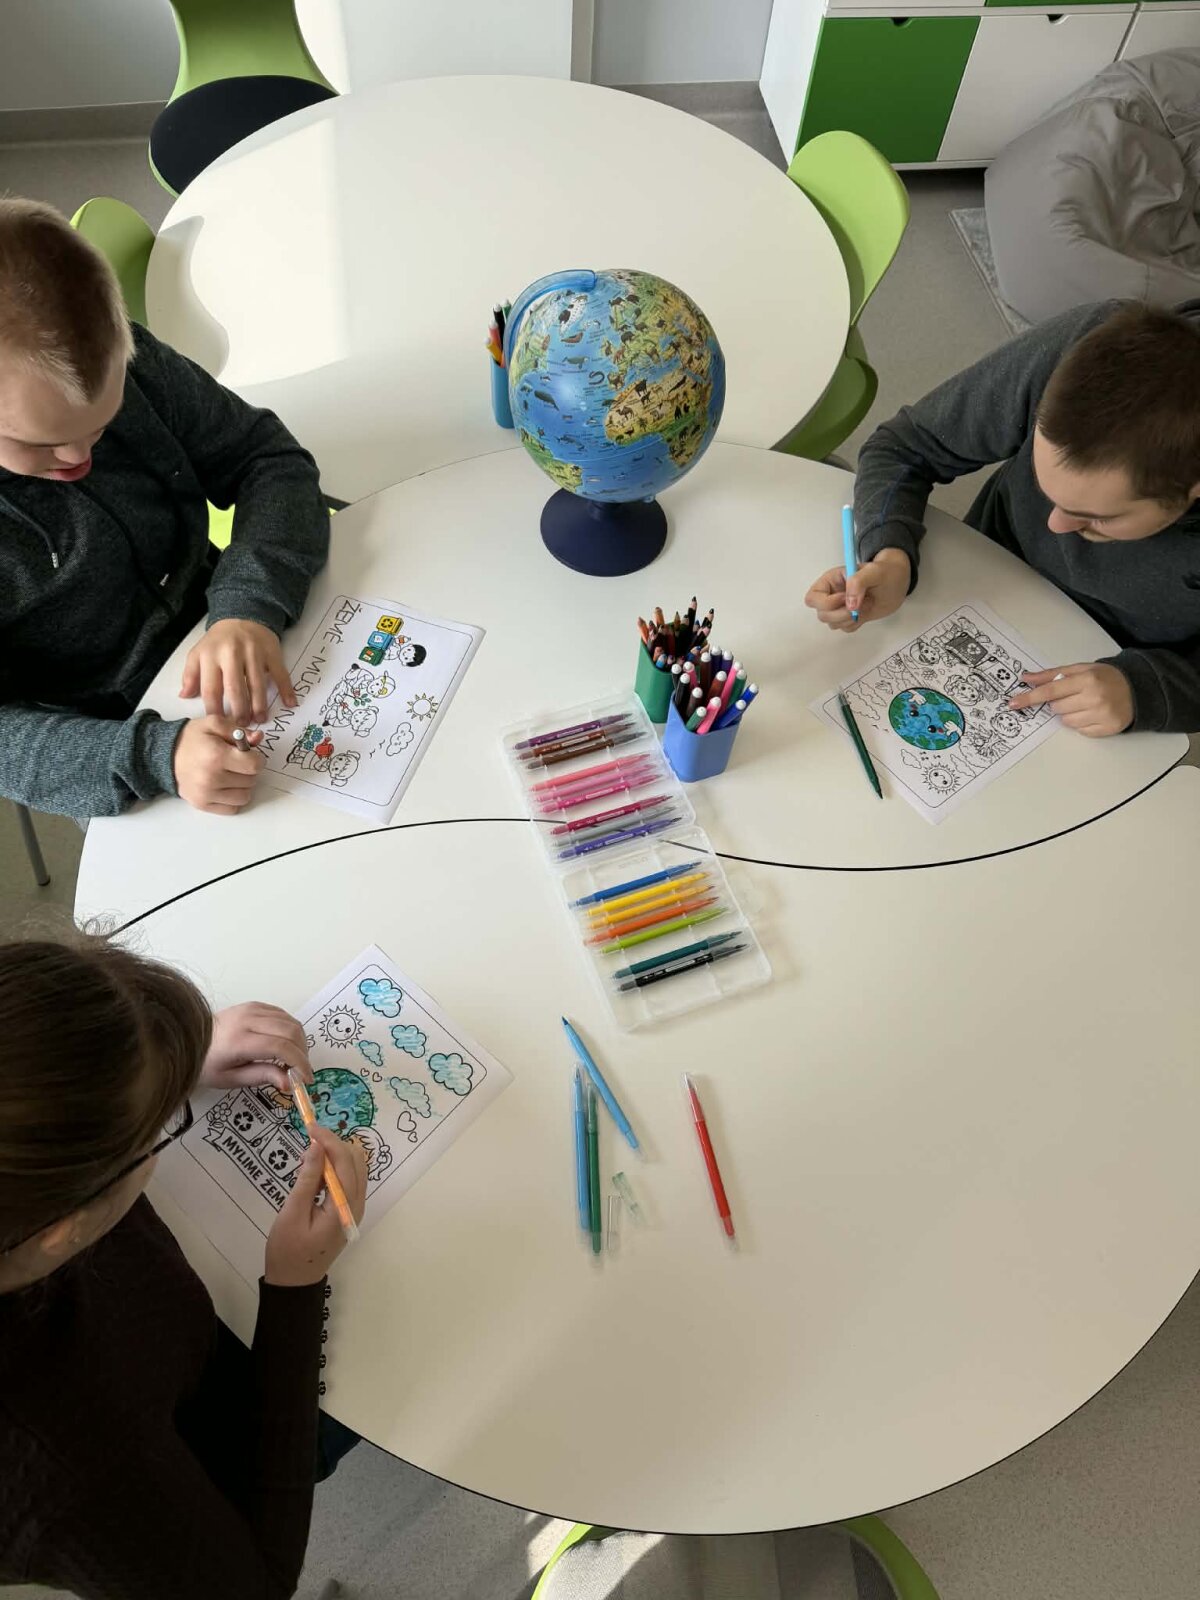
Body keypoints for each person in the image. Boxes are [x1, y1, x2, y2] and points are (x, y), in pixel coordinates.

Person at [0, 933, 368, 1599]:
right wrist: (296, 1282)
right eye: (155, 1129)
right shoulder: (71, 1476)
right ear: (65, 1230)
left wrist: (161, 1059)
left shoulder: (26, 1201)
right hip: (216, 1443)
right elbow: (255, 1585)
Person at [0, 197, 331, 819]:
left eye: (102, 424)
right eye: (40, 443)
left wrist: (246, 605)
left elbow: (268, 459)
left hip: (230, 618)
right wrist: (155, 756)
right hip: (105, 742)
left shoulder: (129, 360)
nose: (79, 457)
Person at [804, 301, 1200, 736]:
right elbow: (906, 445)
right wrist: (890, 554)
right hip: (984, 575)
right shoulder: (1088, 351)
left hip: (1118, 669)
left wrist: (1144, 690)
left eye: (1093, 518)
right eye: (1044, 487)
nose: (1054, 527)